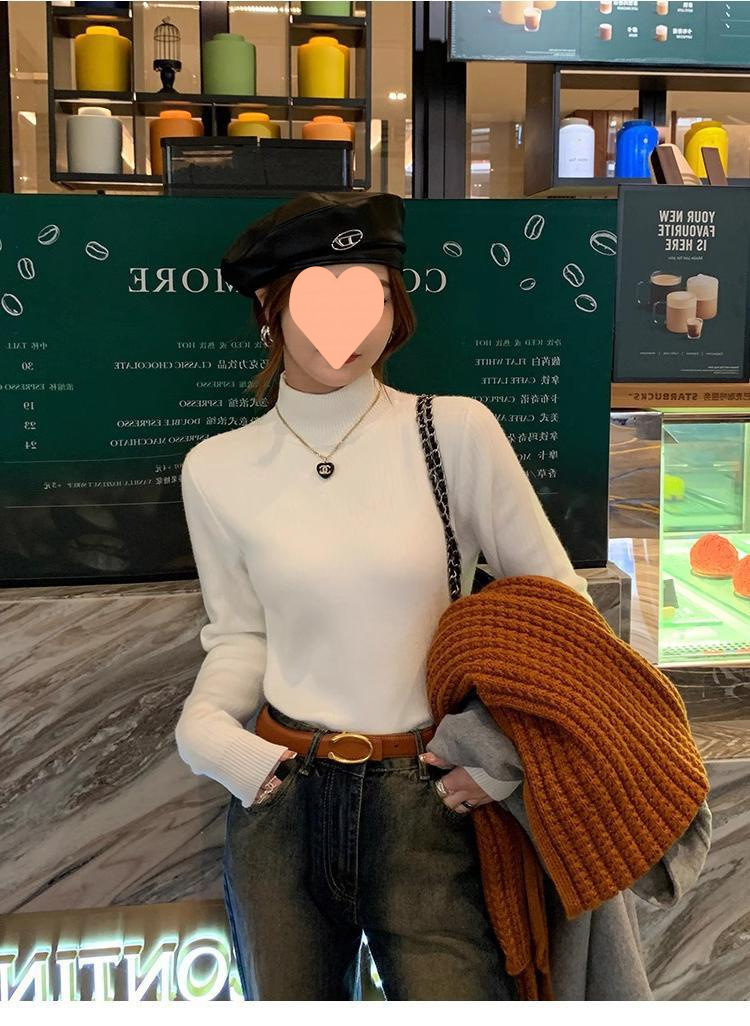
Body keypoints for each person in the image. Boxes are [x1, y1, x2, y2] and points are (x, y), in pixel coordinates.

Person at [174, 192, 591, 1001]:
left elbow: (561, 612)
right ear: (269, 311)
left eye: (370, 294)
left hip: (425, 797)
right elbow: (241, 634)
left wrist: (500, 749)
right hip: (280, 796)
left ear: (395, 310)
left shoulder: (453, 431)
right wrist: (207, 729)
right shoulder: (215, 468)